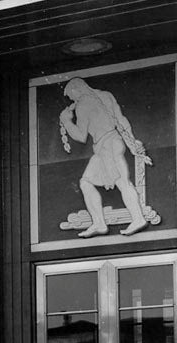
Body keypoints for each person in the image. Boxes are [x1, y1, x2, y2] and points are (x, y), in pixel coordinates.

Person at [59, 77, 149, 237]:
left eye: (70, 95)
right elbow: (121, 120)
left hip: (107, 145)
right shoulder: (105, 95)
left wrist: (66, 121)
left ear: (76, 90)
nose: (71, 99)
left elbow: (80, 136)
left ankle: (138, 218)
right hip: (109, 145)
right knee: (85, 182)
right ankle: (99, 223)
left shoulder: (82, 104)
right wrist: (132, 141)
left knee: (122, 181)